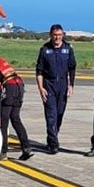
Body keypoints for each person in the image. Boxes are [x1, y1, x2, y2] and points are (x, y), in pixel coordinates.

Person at [35, 24, 76, 154]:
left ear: (63, 35)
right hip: (49, 85)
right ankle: (53, 144)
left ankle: (52, 137)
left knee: (59, 114)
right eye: (55, 35)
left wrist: (71, 85)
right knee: (51, 115)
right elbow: (39, 71)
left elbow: (72, 68)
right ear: (50, 35)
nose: (57, 38)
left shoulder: (68, 49)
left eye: (59, 35)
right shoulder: (45, 50)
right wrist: (41, 88)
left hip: (63, 85)